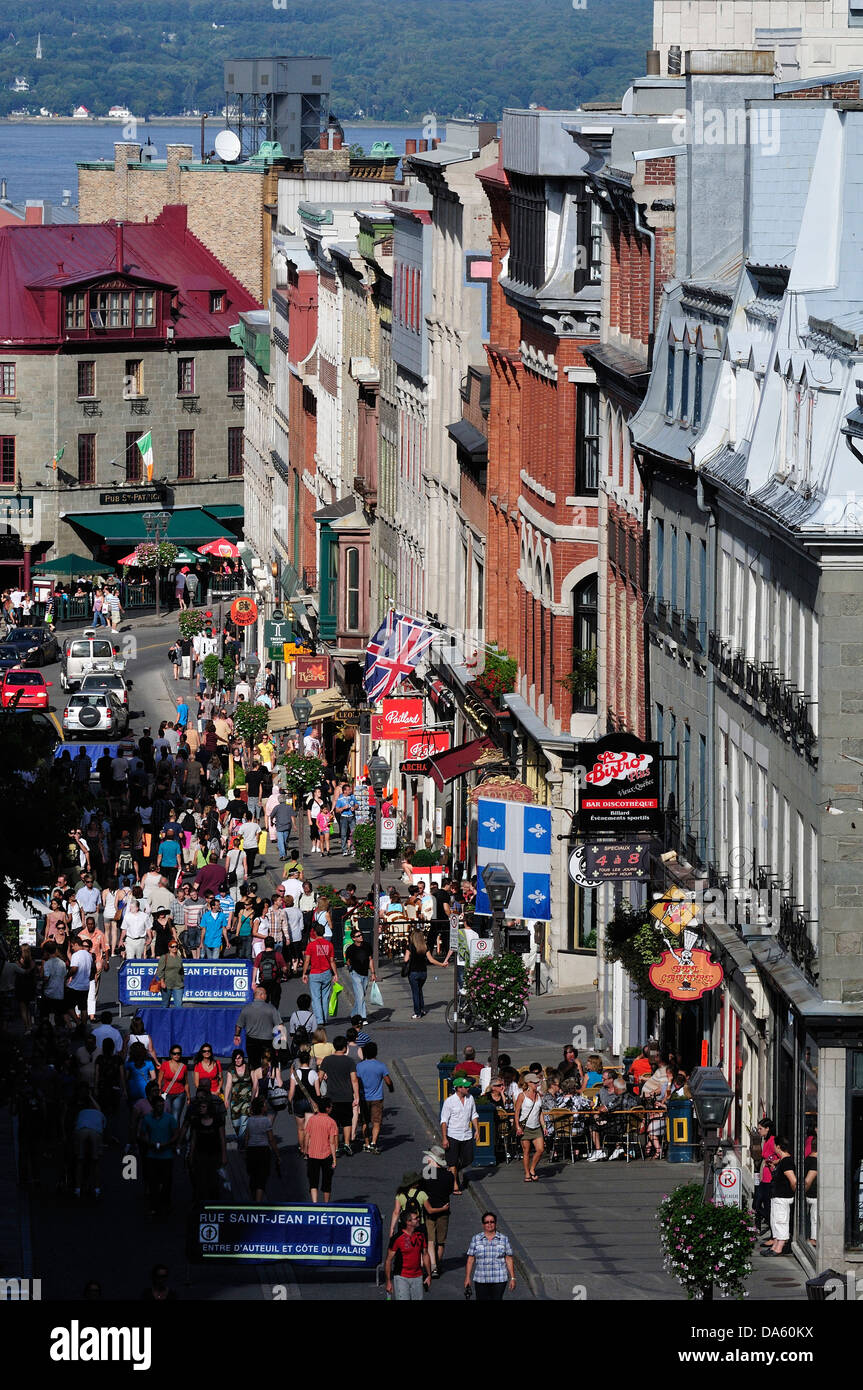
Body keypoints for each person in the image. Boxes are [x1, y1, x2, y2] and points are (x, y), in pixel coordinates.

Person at [138, 1094, 178, 1220]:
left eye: (162, 1106)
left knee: (167, 1182)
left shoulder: (170, 1119)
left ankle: (166, 1205)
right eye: (159, 1106)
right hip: (152, 1155)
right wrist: (149, 1143)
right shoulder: (147, 1119)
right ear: (153, 1107)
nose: (161, 1108)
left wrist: (169, 1143)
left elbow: (176, 1133)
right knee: (153, 1182)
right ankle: (154, 1206)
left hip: (166, 1156)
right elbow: (143, 1134)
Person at [319, 1036, 361, 1156]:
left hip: (332, 1096)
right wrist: (356, 1096)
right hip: (346, 1095)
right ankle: (347, 1144)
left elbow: (320, 1077)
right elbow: (354, 1080)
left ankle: (336, 1147)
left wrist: (318, 1092)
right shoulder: (349, 1061)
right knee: (347, 1121)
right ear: (345, 1047)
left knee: (334, 1123)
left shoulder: (327, 1060)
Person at [440, 1075, 480, 1195]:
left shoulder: (470, 1098)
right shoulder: (449, 1102)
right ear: (458, 1088)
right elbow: (444, 1121)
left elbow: (474, 1114)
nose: (468, 1089)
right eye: (465, 1087)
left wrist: (477, 1130)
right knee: (452, 1161)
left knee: (468, 1159)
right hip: (453, 1135)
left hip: (466, 1135)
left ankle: (452, 1170)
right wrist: (444, 1138)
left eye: (468, 1087)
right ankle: (454, 1185)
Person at [464, 1213, 516, 1300]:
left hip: (499, 1278)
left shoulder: (504, 1239)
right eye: (486, 1222)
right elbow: (470, 1259)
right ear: (483, 1224)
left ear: (495, 1223)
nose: (489, 1224)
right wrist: (467, 1277)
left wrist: (513, 1278)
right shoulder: (476, 1239)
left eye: (492, 1222)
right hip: (481, 1279)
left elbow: (509, 1258)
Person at [421, 1145, 455, 1278]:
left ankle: (433, 1266)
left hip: (429, 1211)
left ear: (433, 1159)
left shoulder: (426, 1174)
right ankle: (438, 1265)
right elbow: (450, 1191)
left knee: (430, 1240)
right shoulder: (449, 1176)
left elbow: (422, 1191)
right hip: (444, 1211)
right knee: (441, 1241)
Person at [385, 1209, 432, 1302]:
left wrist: (429, 1274)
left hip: (418, 1277)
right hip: (401, 1277)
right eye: (416, 1218)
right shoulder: (397, 1238)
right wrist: (388, 1282)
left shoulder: (421, 1236)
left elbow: (425, 1254)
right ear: (408, 1222)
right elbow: (388, 1260)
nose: (419, 1219)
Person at [233, 985, 283, 1071]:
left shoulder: (246, 1008)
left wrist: (237, 1035)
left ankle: (254, 1082)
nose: (267, 996)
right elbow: (280, 1026)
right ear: (261, 995)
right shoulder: (271, 1008)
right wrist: (280, 1042)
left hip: (252, 1041)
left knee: (253, 1063)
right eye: (266, 994)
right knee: (268, 1062)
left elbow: (238, 1025)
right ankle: (267, 1081)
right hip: (267, 1041)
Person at [356, 1041, 393, 1154]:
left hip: (363, 1098)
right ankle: (374, 1143)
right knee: (376, 1122)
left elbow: (356, 1081)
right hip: (377, 1098)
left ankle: (366, 1143)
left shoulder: (359, 1066)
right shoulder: (381, 1066)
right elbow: (388, 1081)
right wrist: (391, 1088)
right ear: (376, 1053)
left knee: (365, 1122)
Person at [403, 927, 447, 1020]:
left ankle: (417, 1012)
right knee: (419, 990)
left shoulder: (410, 946)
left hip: (413, 972)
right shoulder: (425, 946)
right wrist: (442, 964)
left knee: (415, 992)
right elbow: (431, 960)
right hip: (423, 972)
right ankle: (422, 1009)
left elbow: (406, 959)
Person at [762, 1136, 797, 1257]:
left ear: (778, 1146)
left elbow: (793, 1180)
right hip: (778, 1196)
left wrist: (793, 1192)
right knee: (775, 1221)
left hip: (783, 1197)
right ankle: (775, 1245)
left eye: (774, 1146)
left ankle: (779, 1247)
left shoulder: (787, 1161)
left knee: (781, 1221)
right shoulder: (783, 1161)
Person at [244, 1095, 281, 1202]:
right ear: (261, 1108)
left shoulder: (250, 1120)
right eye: (264, 1105)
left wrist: (246, 1151)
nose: (266, 1107)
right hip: (263, 1150)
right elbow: (271, 1139)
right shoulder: (266, 1121)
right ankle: (258, 1203)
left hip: (251, 1150)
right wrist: (277, 1154)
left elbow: (246, 1138)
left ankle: (253, 1197)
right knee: (262, 1177)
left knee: (253, 1175)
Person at [303, 1096, 339, 1204]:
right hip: (326, 1154)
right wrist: (334, 1158)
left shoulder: (312, 1119)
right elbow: (332, 1142)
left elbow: (307, 1136)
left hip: (312, 1153)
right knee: (326, 1180)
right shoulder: (331, 1122)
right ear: (327, 1108)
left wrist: (305, 1150)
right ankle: (326, 1204)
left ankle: (315, 1203)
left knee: (313, 1180)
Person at [302, 922, 338, 1028]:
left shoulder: (311, 945)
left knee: (316, 997)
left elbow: (307, 961)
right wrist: (335, 974)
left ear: (315, 933)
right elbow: (332, 961)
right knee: (325, 996)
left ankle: (319, 1019)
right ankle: (325, 1018)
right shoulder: (329, 945)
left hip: (315, 973)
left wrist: (304, 973)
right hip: (326, 972)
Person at [287, 1046, 320, 1154]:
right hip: (310, 1103)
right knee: (308, 1129)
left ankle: (303, 1149)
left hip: (298, 1102)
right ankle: (309, 1149)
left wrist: (289, 1103)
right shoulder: (314, 1074)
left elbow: (291, 1091)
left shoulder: (295, 1074)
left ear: (299, 1061)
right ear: (309, 1060)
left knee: (300, 1129)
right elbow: (317, 1092)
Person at [514, 1072, 545, 1182]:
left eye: (538, 1082)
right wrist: (518, 1126)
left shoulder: (538, 1095)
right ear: (528, 1083)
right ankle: (527, 1173)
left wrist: (544, 1126)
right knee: (526, 1151)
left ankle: (532, 1169)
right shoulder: (522, 1096)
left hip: (536, 1126)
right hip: (525, 1126)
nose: (537, 1084)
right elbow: (517, 1112)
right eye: (535, 1082)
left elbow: (540, 1112)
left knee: (540, 1149)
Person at [344, 926, 375, 1023]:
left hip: (365, 973)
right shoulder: (350, 949)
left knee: (361, 995)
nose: (361, 937)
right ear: (353, 938)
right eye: (358, 936)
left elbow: (370, 959)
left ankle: (354, 1014)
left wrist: (373, 973)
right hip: (355, 973)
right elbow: (347, 961)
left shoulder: (367, 946)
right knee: (360, 995)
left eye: (361, 935)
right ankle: (363, 1018)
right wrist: (349, 967)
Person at [223, 1049, 254, 1147]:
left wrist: (254, 1097)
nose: (237, 1060)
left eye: (239, 1058)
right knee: (236, 1124)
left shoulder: (249, 1067)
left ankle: (241, 1145)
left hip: (247, 1100)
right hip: (235, 1102)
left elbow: (255, 1084)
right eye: (235, 1059)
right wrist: (226, 1099)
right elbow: (228, 1085)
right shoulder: (230, 1069)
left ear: (242, 1058)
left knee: (244, 1121)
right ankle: (242, 1138)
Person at [753, 1118, 777, 1234]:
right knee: (757, 1204)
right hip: (764, 1178)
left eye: (760, 1129)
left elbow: (780, 1156)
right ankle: (770, 1229)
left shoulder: (772, 1141)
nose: (758, 1131)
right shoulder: (766, 1140)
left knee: (767, 1206)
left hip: (770, 1179)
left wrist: (771, 1161)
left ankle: (773, 1234)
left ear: (767, 1129)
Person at [157, 1047, 189, 1128]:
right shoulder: (165, 1065)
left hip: (179, 1094)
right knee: (166, 1116)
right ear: (171, 1055)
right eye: (174, 1053)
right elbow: (159, 1080)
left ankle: (176, 1138)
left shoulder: (183, 1067)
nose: (177, 1055)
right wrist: (159, 1092)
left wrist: (188, 1097)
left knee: (175, 1117)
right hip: (166, 1094)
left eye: (178, 1053)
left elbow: (186, 1083)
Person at [155, 940, 185, 1008]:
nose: (174, 948)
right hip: (167, 984)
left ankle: (178, 1018)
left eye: (176, 946)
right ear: (169, 948)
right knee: (165, 1004)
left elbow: (182, 971)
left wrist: (182, 980)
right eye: (172, 946)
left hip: (178, 984)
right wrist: (162, 981)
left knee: (179, 1005)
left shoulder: (179, 958)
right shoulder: (164, 957)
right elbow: (160, 970)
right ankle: (164, 1018)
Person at [200, 895, 229, 960]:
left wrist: (227, 941)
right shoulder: (206, 916)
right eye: (218, 905)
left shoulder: (222, 915)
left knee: (215, 960)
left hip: (217, 941)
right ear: (213, 906)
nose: (219, 906)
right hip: (207, 941)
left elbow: (224, 929)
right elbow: (203, 930)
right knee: (210, 960)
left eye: (219, 905)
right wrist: (201, 942)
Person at [269, 792, 294, 860]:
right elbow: (292, 816)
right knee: (284, 841)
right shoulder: (289, 807)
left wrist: (271, 822)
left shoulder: (276, 807)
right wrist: (294, 825)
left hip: (279, 826)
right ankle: (283, 853)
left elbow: (271, 816)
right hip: (287, 826)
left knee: (280, 841)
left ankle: (283, 855)